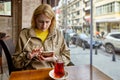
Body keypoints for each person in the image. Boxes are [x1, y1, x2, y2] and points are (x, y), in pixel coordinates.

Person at [12, 4, 73, 70]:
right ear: (35, 20)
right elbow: (16, 63)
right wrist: (28, 56)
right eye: (41, 22)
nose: (44, 26)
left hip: (54, 73)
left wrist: (55, 59)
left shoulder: (58, 34)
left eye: (47, 22)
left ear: (52, 21)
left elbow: (67, 56)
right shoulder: (24, 34)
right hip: (32, 74)